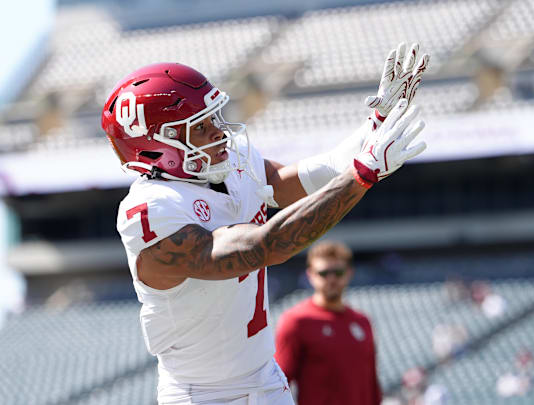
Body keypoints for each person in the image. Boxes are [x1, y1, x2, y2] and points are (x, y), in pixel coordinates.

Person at [104, 42, 429, 405]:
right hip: (204, 396)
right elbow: (263, 247)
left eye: (214, 117)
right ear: (157, 147)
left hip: (266, 379)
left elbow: (302, 180)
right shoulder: (153, 209)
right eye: (199, 127)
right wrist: (361, 174)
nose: (218, 132)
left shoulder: (230, 165)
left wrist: (375, 125)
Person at [274, 240, 380, 405]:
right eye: (323, 273)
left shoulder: (362, 321)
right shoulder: (296, 321)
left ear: (349, 273)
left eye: (338, 272)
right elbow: (279, 385)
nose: (331, 279)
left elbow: (372, 384)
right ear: (310, 275)